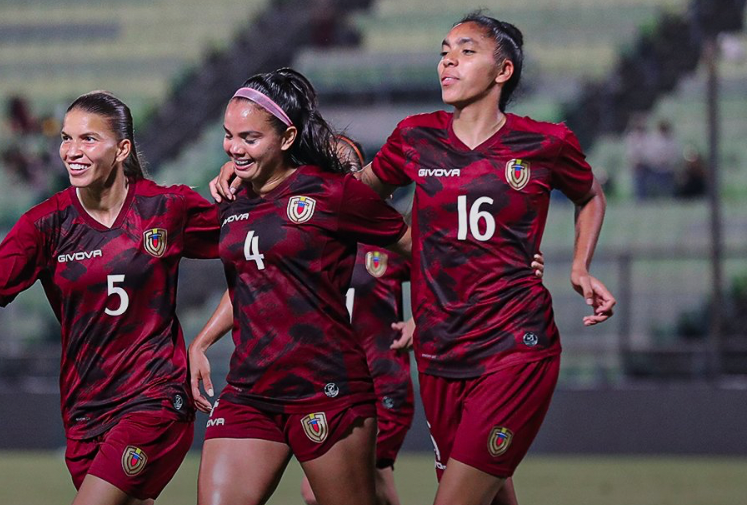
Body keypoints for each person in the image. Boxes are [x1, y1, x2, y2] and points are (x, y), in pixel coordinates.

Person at [211, 12, 615, 505]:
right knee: (489, 493)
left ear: (502, 71)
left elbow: (590, 195)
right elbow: (345, 194)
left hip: (516, 342)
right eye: (444, 50)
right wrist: (251, 170)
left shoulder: (546, 141)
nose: (448, 60)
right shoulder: (415, 137)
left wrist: (579, 266)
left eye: (466, 51)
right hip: (441, 351)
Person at [0, 91, 220, 505]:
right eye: (66, 139)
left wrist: (205, 339)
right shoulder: (45, 223)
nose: (71, 151)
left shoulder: (164, 208)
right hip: (86, 409)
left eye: (87, 139)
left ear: (121, 149)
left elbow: (249, 241)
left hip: (155, 397)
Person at [188, 68, 412, 505]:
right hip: (249, 389)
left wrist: (498, 269)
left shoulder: (331, 194)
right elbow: (251, 280)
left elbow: (418, 245)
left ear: (287, 138)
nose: (234, 147)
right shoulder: (235, 200)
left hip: (326, 387)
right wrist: (201, 340)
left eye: (249, 137)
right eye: (228, 135)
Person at [299, 135, 415, 505]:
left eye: (346, 166)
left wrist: (421, 320)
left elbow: (450, 269)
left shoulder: (387, 234)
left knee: (325, 492)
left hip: (382, 382)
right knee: (373, 489)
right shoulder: (309, 236)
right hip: (333, 383)